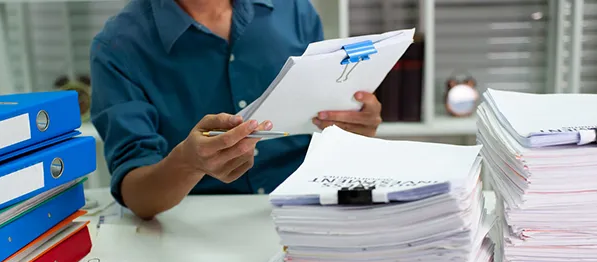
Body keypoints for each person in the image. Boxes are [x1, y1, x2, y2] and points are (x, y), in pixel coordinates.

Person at [90, 0, 383, 219]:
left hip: (308, 213)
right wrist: (187, 163)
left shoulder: (294, 9)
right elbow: (136, 195)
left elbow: (326, 126)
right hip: (197, 228)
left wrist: (352, 127)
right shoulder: (117, 47)